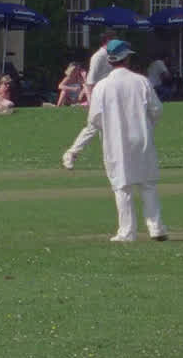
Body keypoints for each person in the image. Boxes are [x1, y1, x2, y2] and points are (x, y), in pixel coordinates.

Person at [67, 40, 167, 243]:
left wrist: (111, 128)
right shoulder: (141, 81)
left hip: (116, 141)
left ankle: (127, 232)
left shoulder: (102, 86)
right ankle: (156, 228)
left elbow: (94, 118)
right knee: (148, 184)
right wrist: (147, 126)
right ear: (127, 58)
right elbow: (157, 110)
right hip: (142, 138)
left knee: (122, 186)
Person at [61, 40, 120, 169]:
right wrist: (92, 102)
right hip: (99, 99)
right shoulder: (98, 57)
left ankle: (110, 159)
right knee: (93, 128)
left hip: (108, 98)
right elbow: (89, 82)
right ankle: (71, 154)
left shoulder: (111, 57)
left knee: (104, 129)